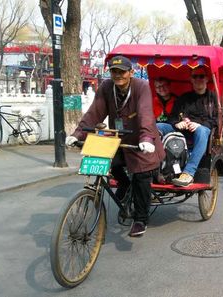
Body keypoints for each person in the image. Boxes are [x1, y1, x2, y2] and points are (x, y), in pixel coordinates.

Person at [65, 55, 165, 237]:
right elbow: (95, 112)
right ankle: (125, 185)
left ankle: (141, 219)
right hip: (120, 139)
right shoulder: (106, 87)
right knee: (110, 163)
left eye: (122, 71)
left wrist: (146, 139)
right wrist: (78, 134)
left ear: (131, 73)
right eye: (114, 71)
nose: (118, 75)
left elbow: (145, 114)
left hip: (143, 141)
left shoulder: (141, 87)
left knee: (142, 175)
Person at [164, 65, 218, 187]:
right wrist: (177, 123)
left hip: (202, 131)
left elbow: (217, 120)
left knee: (202, 131)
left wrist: (199, 124)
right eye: (195, 76)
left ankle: (188, 172)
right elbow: (172, 117)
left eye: (201, 76)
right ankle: (153, 169)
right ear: (191, 79)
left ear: (206, 79)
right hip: (182, 130)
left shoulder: (213, 98)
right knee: (159, 126)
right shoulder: (184, 98)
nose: (198, 79)